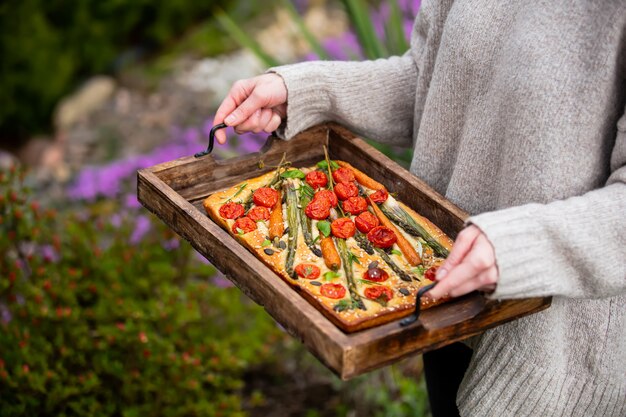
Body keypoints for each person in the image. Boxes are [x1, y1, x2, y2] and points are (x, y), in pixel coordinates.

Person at [212, 1, 626, 416]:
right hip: (435, 301)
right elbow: (430, 85)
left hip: (555, 352)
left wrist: (519, 247)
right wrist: (305, 91)